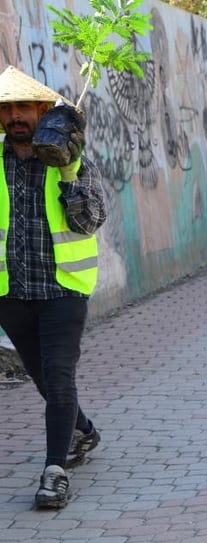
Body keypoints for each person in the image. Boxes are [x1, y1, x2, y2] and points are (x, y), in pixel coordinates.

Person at [0, 65, 107, 509]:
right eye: (7, 109)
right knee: (42, 377)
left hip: (64, 288)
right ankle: (84, 431)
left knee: (59, 377)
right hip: (10, 292)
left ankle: (54, 472)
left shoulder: (74, 160)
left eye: (23, 107)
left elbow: (89, 222)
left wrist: (66, 174)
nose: (15, 116)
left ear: (43, 110)